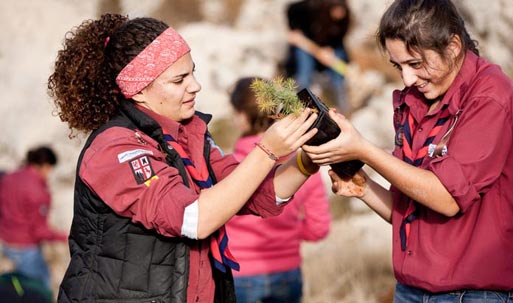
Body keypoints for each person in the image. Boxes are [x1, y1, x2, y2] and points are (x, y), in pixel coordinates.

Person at [47, 14, 321, 303]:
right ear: (138, 90)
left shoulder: (189, 135)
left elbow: (253, 191)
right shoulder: (115, 148)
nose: (195, 86)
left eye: (192, 73)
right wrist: (266, 151)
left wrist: (308, 160)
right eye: (179, 79)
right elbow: (193, 218)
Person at [303, 0, 513, 302]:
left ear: (453, 45)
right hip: (413, 291)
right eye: (398, 66)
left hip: (479, 294)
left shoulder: (490, 97)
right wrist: (364, 188)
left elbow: (446, 199)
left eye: (416, 64)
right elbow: (408, 212)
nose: (407, 79)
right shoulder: (415, 100)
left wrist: (364, 149)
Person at [224, 77, 331, 303]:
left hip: (239, 273)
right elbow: (319, 228)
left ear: (242, 117)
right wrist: (287, 235)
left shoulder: (227, 166)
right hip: (287, 272)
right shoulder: (302, 166)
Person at [0, 146, 68, 290]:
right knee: (41, 289)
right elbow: (39, 231)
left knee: (17, 289)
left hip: (6, 243)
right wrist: (63, 237)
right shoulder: (38, 192)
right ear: (45, 166)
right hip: (26, 248)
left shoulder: (8, 178)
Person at [286, 0, 352, 115]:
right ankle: (301, 105)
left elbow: (339, 39)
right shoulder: (310, 8)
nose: (338, 15)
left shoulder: (344, 19)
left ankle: (342, 106)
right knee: (304, 73)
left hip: (327, 48)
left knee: (339, 70)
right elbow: (291, 12)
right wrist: (293, 27)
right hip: (307, 45)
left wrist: (329, 50)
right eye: (336, 11)